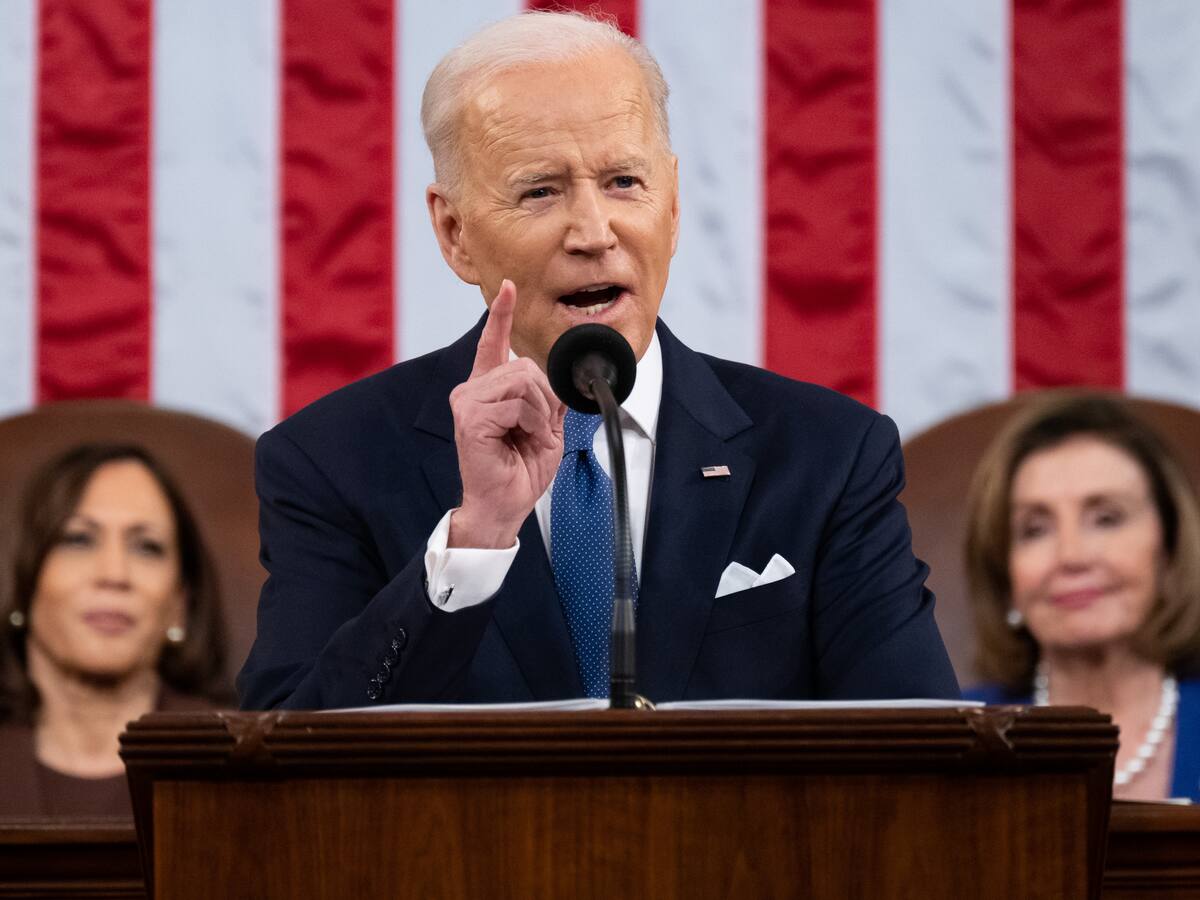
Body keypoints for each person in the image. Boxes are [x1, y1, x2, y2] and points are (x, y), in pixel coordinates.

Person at [237, 11, 958, 710]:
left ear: (671, 207)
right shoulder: (330, 462)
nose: (593, 231)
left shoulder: (828, 456)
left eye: (624, 183)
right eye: (540, 191)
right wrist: (475, 540)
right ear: (455, 233)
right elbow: (285, 761)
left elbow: (923, 756)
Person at [962, 393, 1200, 801]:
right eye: (1035, 529)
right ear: (1005, 573)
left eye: (1106, 519)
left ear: (1169, 549)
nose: (1071, 557)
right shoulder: (955, 740)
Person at [0, 444, 230, 817]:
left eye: (147, 547)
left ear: (179, 604)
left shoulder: (239, 768)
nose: (114, 574)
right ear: (25, 583)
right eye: (78, 539)